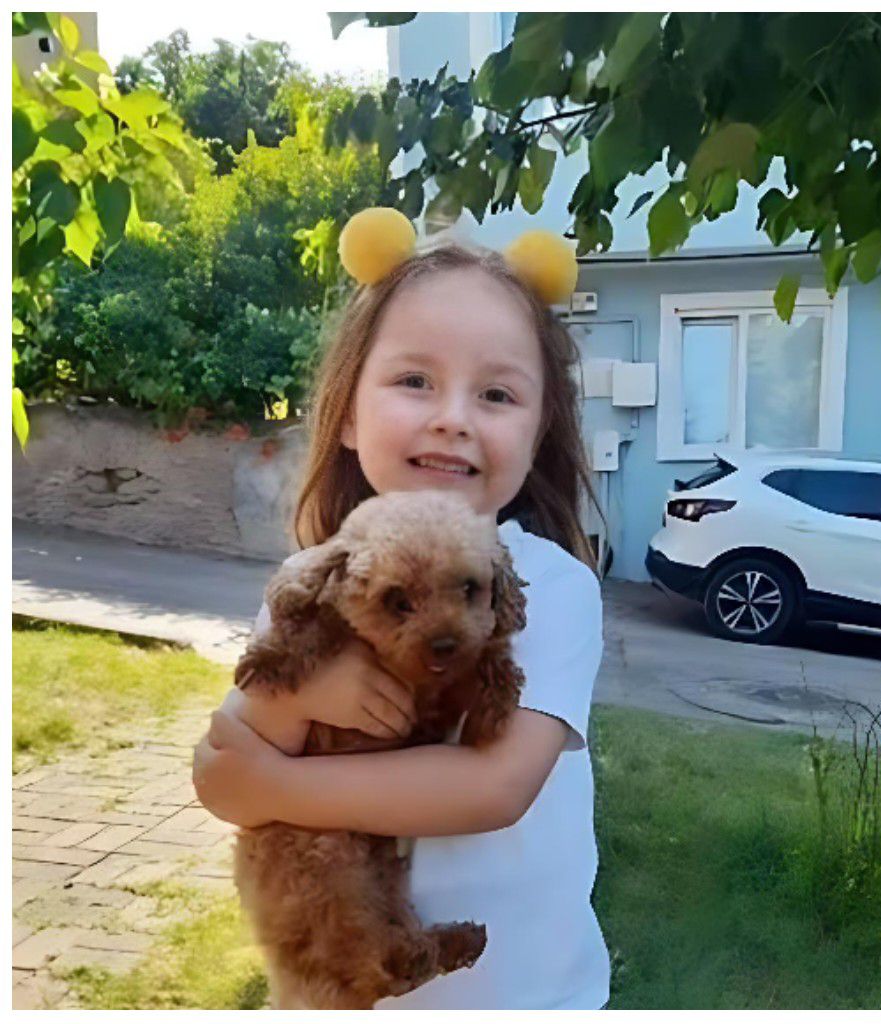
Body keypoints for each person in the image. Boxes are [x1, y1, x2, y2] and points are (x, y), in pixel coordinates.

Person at [191, 211, 612, 1009]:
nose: (453, 416)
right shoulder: (317, 580)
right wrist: (304, 698)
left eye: (495, 392)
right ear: (348, 413)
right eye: (415, 381)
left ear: (539, 427)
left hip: (520, 998)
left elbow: (494, 786)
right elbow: (220, 772)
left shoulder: (547, 585)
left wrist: (275, 787)